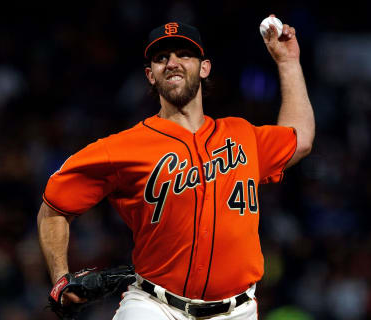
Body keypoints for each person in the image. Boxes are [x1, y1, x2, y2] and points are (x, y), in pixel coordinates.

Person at [38, 17, 314, 320]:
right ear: (150, 75)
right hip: (154, 307)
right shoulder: (123, 147)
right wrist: (61, 279)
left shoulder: (242, 134)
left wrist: (288, 63)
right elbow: (53, 208)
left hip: (238, 312)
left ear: (204, 68)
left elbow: (299, 140)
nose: (172, 63)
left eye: (184, 54)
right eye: (161, 58)